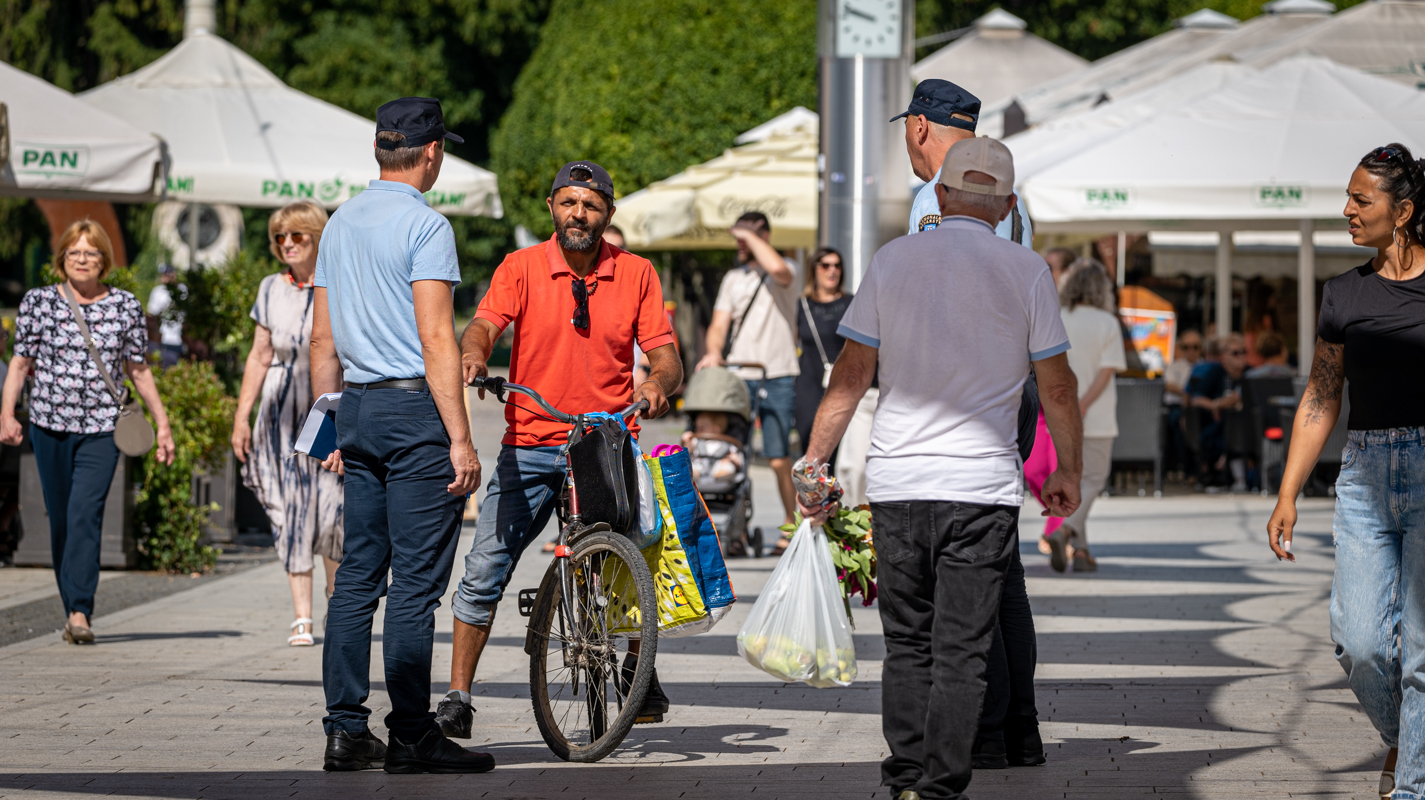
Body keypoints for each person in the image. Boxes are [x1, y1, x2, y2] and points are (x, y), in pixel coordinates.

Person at [798, 137, 1083, 800]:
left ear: (943, 195)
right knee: (961, 652)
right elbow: (1059, 386)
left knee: (907, 646)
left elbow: (850, 373)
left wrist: (814, 460)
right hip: (981, 490)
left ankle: (901, 776)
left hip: (897, 483)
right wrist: (1066, 470)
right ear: (1007, 205)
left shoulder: (893, 260)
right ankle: (937, 790)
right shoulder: (1026, 269)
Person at [439, 160, 683, 740]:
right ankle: (457, 696)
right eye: (569, 202)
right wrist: (473, 353)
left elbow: (665, 353)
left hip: (603, 442)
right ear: (552, 206)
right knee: (484, 569)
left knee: (625, 563)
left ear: (608, 214)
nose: (579, 214)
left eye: (591, 204)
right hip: (529, 442)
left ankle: (635, 671)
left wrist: (656, 384)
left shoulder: (637, 272)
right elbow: (482, 324)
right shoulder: (521, 266)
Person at [310, 97, 490, 774]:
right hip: (413, 411)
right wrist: (462, 439)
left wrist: (328, 422)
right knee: (414, 583)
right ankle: (413, 733)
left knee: (358, 574)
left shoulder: (339, 223)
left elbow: (321, 339)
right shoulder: (426, 225)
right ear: (433, 152)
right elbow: (437, 338)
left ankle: (345, 729)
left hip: (355, 405)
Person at [892, 78, 1048, 771]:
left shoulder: (939, 198)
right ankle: (1016, 728)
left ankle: (981, 730)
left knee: (957, 574)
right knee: (999, 566)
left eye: (906, 129)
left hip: (957, 398)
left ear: (920, 128)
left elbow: (930, 307)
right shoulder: (1009, 198)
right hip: (1010, 389)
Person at [1268, 143, 1425, 800]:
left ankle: (1412, 784)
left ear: (1403, 210)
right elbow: (1320, 394)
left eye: (1361, 199)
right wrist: (1286, 493)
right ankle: (1405, 738)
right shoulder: (1342, 293)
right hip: (1362, 474)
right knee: (1357, 640)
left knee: (1419, 646)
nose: (1347, 210)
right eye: (1348, 197)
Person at [0, 219, 176, 645]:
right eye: (75, 253)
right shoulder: (38, 302)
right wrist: (7, 414)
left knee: (85, 514)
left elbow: (138, 369)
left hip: (102, 428)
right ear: (62, 258)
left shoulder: (125, 306)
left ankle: (80, 610)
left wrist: (163, 422)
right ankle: (71, 605)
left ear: (104, 261)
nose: (82, 260)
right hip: (49, 425)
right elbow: (20, 364)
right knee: (61, 518)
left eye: (91, 253)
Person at [232, 200, 344, 647]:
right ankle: (302, 616)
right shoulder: (269, 289)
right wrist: (241, 417)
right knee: (292, 514)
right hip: (279, 415)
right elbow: (259, 355)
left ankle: (339, 604)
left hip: (326, 407)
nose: (287, 244)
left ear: (316, 236)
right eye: (280, 237)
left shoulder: (338, 283)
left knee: (334, 511)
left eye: (296, 235)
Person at [697, 211, 800, 551]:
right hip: (741, 374)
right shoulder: (733, 279)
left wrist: (750, 236)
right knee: (733, 450)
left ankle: (790, 524)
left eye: (746, 238)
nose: (740, 244)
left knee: (777, 455)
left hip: (778, 372)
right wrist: (713, 353)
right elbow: (718, 325)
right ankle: (737, 529)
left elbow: (778, 270)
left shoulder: (786, 270)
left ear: (763, 237)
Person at [1043, 260, 1126, 574]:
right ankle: (1064, 529)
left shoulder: (1058, 317)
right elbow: (1107, 370)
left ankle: (1081, 553)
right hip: (1097, 412)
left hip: (1058, 413)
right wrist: (1084, 403)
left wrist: (1069, 404)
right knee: (1092, 480)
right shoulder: (1107, 322)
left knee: (1073, 478)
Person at [795, 248, 849, 471]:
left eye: (837, 265)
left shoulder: (852, 302)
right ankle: (812, 503)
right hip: (809, 384)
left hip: (844, 385)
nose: (832, 270)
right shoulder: (802, 305)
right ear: (814, 269)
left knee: (844, 453)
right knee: (811, 451)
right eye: (825, 265)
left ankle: (842, 505)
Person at [1189, 333, 1248, 490]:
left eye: (1243, 352)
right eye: (1235, 353)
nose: (1241, 356)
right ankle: (1220, 474)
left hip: (1245, 426)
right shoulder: (1216, 372)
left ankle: (1238, 477)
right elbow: (1196, 398)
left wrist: (1222, 403)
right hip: (1218, 426)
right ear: (1223, 356)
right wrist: (1216, 405)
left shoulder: (1249, 373)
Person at [1162, 330, 1203, 476]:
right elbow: (1168, 385)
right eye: (1186, 347)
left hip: (1200, 407)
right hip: (1177, 406)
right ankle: (1186, 468)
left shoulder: (1205, 365)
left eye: (1195, 347)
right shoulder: (1175, 366)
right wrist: (1186, 393)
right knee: (1177, 421)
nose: (1191, 351)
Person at [146, 264, 184, 367]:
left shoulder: (183, 290)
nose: (165, 277)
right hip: (162, 339)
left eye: (168, 274)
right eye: (163, 275)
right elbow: (151, 316)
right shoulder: (157, 292)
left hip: (179, 339)